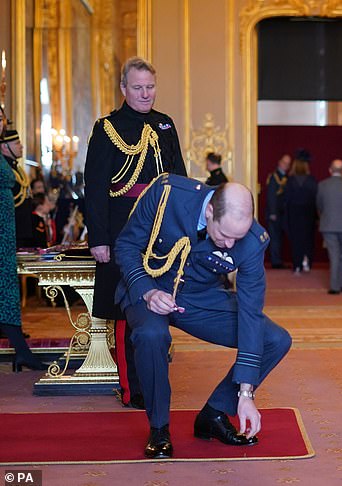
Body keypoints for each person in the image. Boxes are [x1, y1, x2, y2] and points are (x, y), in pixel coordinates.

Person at [114, 174, 291, 459]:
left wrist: (246, 393)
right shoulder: (167, 194)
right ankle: (159, 428)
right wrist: (147, 291)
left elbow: (250, 312)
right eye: (225, 236)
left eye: (238, 238)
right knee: (151, 335)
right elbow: (126, 246)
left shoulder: (253, 240)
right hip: (152, 284)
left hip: (199, 297)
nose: (231, 245)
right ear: (210, 211)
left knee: (275, 339)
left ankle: (215, 412)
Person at [84, 56, 187, 409]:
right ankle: (134, 389)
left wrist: (184, 231)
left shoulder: (166, 125)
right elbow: (94, 186)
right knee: (127, 310)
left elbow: (180, 183)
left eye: (150, 87)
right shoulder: (107, 127)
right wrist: (98, 237)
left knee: (160, 303)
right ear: (124, 89)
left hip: (161, 234)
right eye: (138, 87)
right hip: (121, 231)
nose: (145, 94)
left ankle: (156, 376)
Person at [0, 114, 46, 371]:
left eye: (0, 118)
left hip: (6, 233)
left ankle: (21, 351)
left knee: (6, 290)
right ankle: (22, 352)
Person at [316, 159, 342, 294]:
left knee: (334, 255)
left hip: (328, 224)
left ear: (330, 170)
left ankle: (334, 287)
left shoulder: (322, 185)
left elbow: (319, 206)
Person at [285, 151, 317, 274]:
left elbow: (286, 200)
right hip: (308, 214)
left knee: (296, 240)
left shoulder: (290, 180)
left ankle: (297, 265)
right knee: (308, 240)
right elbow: (315, 198)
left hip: (294, 215)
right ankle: (307, 262)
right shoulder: (311, 180)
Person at [0, 129, 33, 248]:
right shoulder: (6, 170)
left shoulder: (18, 170)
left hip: (23, 230)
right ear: (4, 147)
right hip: (12, 230)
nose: (21, 146)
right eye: (17, 143)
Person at [265, 153, 291, 268]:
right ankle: (275, 261)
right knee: (275, 237)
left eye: (288, 164)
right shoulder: (274, 177)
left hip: (283, 213)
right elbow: (271, 196)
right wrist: (272, 212)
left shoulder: (286, 177)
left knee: (280, 238)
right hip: (274, 213)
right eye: (285, 163)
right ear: (279, 162)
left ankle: (278, 260)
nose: (286, 165)